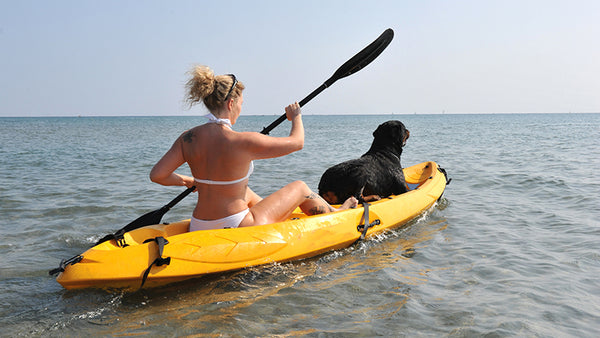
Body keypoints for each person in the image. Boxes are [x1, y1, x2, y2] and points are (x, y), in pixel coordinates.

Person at [150, 65, 357, 231]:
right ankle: (337, 215)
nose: (241, 107)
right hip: (236, 225)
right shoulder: (243, 141)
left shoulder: (188, 138)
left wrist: (189, 181)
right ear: (231, 104)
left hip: (198, 225)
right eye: (241, 102)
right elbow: (297, 142)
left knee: (245, 192)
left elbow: (158, 175)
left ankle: (283, 215)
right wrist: (296, 117)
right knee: (300, 187)